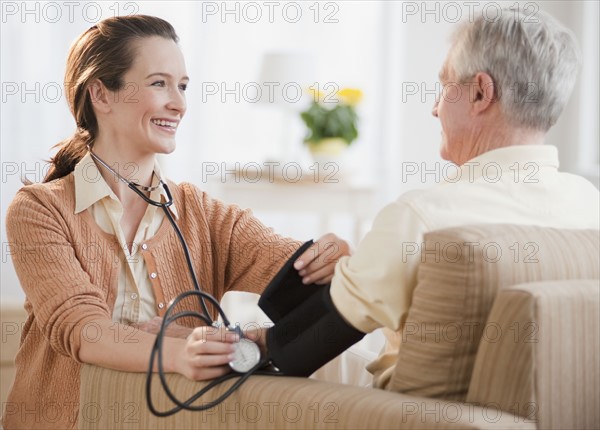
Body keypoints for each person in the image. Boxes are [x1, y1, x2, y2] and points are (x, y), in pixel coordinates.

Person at [2, 15, 349, 430]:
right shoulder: (40, 210)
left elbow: (297, 272)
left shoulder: (204, 214)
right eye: (158, 83)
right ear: (101, 93)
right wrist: (177, 351)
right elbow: (81, 329)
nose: (179, 104)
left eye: (182, 86)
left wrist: (334, 260)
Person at [258, 7, 600, 386]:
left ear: (480, 92)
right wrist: (366, 268)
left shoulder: (423, 218)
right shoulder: (590, 206)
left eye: (445, 85)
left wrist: (242, 340)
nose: (434, 108)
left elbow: (293, 351)